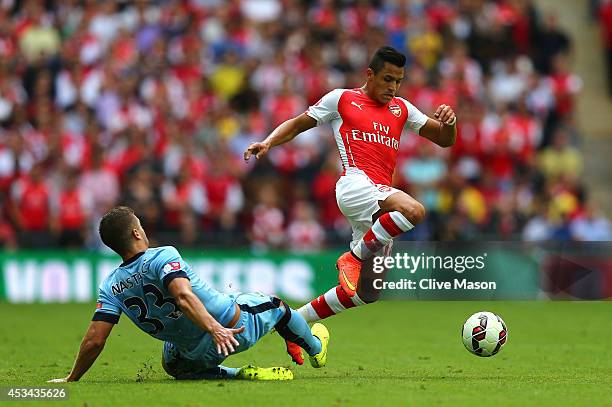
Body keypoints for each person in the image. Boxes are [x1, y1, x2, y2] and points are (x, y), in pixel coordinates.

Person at [244, 46, 456, 363]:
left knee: (364, 294)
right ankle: (353, 257)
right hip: (355, 185)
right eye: (387, 79)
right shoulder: (342, 99)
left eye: (398, 81)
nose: (392, 87)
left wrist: (450, 122)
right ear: (369, 74)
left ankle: (291, 323)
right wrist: (268, 142)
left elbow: (444, 139)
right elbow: (298, 123)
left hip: (379, 199)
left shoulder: (402, 109)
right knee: (414, 210)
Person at [48, 206, 329, 382]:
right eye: (141, 227)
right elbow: (182, 297)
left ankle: (241, 374)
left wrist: (72, 378)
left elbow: (95, 340)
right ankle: (316, 350)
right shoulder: (162, 255)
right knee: (276, 305)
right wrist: (215, 329)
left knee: (172, 365)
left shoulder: (110, 286)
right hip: (232, 330)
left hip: (189, 356)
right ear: (136, 233)